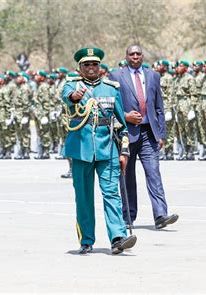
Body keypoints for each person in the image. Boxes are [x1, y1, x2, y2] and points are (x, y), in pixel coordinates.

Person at [62, 47, 137, 255]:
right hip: (81, 150)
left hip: (107, 149)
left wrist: (124, 152)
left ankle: (118, 237)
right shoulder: (71, 86)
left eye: (95, 64)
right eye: (87, 65)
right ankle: (86, 240)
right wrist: (75, 97)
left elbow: (121, 123)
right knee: (84, 197)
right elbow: (68, 97)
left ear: (100, 67)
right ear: (79, 68)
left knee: (112, 194)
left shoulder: (111, 89)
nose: (92, 68)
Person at [109, 45, 178, 229]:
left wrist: (161, 133)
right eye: (132, 54)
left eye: (138, 54)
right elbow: (110, 107)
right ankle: (128, 216)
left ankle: (160, 214)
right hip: (126, 133)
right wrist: (126, 116)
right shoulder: (116, 76)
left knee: (154, 173)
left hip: (149, 133)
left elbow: (158, 107)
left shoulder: (153, 76)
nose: (135, 57)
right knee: (127, 176)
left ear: (142, 56)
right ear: (126, 57)